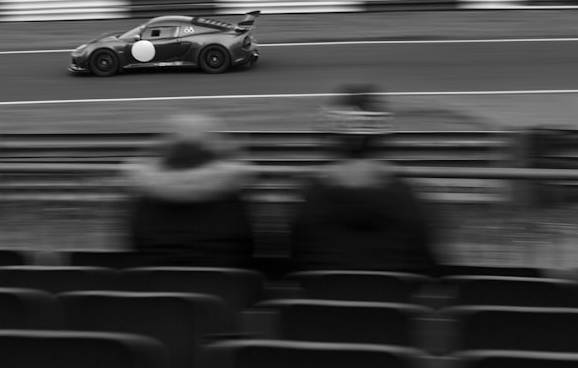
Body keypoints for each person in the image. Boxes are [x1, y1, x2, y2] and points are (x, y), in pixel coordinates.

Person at [290, 86, 441, 275]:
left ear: (332, 141)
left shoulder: (313, 194)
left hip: (324, 298)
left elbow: (297, 258)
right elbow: (426, 262)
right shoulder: (405, 195)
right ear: (380, 140)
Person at [123, 113, 255, 269]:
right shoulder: (228, 191)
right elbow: (245, 246)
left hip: (156, 283)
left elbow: (137, 243)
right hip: (225, 286)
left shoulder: (148, 193)